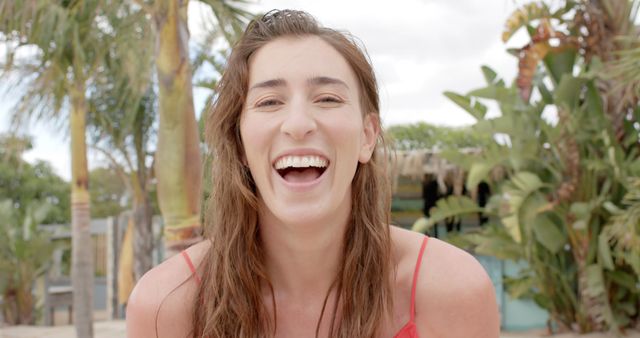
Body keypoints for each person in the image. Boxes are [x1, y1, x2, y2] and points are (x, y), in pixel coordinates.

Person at [126, 10, 499, 338]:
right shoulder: (167, 304)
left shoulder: (451, 289)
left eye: (328, 99)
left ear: (367, 137)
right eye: (269, 102)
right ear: (238, 143)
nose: (299, 124)